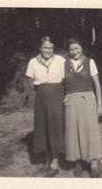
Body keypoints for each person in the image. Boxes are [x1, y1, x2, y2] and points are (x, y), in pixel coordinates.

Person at [64, 37, 102, 178]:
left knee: (90, 130)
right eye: (71, 49)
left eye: (76, 48)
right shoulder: (64, 65)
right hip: (71, 101)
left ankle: (93, 162)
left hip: (88, 99)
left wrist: (99, 104)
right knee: (73, 132)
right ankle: (79, 162)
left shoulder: (90, 62)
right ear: (68, 51)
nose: (74, 52)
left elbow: (97, 85)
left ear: (81, 48)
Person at [25, 36, 65, 177]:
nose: (48, 50)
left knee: (55, 128)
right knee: (42, 128)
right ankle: (47, 159)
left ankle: (55, 161)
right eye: (45, 48)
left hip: (57, 97)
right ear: (40, 48)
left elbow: (67, 78)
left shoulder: (60, 60)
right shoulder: (33, 62)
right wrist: (40, 90)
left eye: (50, 48)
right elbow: (30, 80)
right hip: (41, 97)